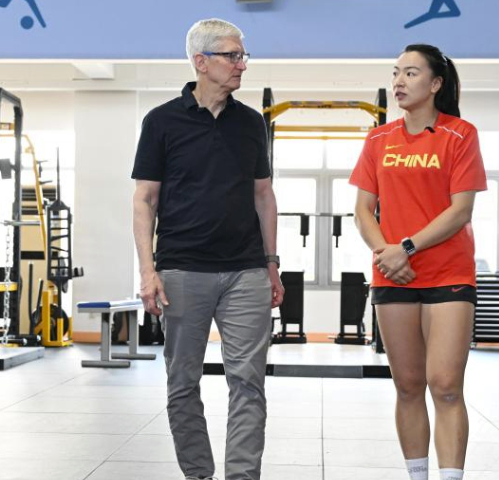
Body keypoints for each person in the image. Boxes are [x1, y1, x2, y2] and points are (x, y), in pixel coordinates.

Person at [131, 18, 284, 480]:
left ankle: (242, 476)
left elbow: (263, 195)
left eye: (243, 56)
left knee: (248, 383)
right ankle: (198, 473)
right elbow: (145, 199)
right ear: (201, 61)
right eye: (232, 56)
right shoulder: (160, 121)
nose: (242, 65)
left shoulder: (252, 123)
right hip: (181, 271)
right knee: (182, 383)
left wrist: (272, 265)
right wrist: (147, 271)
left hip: (245, 272)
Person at [349, 44, 487, 480]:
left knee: (445, 387)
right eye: (396, 73)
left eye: (410, 73)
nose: (399, 82)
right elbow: (362, 211)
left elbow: (460, 210)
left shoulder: (460, 135)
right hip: (393, 276)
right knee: (408, 386)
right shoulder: (377, 139)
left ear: (436, 83)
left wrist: (404, 247)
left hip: (448, 273)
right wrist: (387, 256)